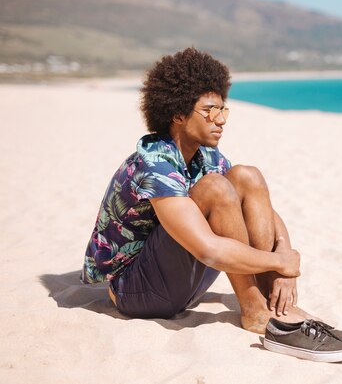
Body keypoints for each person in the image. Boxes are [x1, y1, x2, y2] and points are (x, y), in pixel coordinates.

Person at [81, 47, 313, 333]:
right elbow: (209, 250)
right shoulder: (155, 163)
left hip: (181, 282)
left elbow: (264, 211)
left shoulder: (208, 157)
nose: (221, 119)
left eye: (223, 108)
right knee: (217, 187)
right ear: (178, 113)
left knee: (246, 176)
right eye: (209, 110)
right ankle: (253, 307)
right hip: (137, 291)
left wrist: (285, 267)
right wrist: (279, 261)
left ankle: (273, 302)